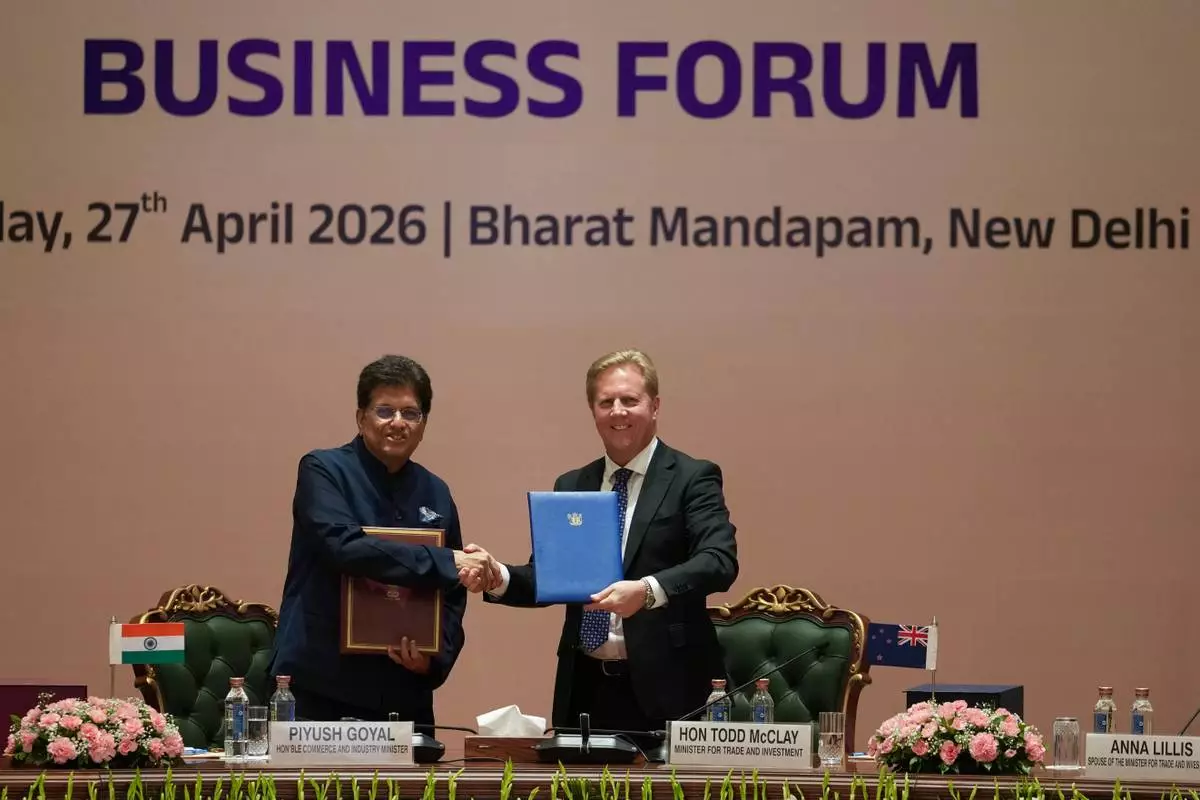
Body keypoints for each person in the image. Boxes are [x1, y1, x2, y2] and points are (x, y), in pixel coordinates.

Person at [470, 348, 739, 737]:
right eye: (606, 402)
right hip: (585, 688)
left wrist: (647, 591)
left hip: (669, 690)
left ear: (655, 405)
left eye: (630, 400)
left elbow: (719, 561)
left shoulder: (691, 477)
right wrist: (499, 577)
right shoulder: (573, 484)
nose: (618, 412)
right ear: (592, 410)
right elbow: (551, 579)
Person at [269, 354, 500, 725]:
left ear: (423, 423)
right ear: (361, 418)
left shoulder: (436, 491)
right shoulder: (323, 470)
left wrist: (433, 658)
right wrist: (447, 561)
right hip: (320, 683)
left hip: (403, 686)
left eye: (411, 413)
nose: (398, 423)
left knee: (410, 786)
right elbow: (343, 547)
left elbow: (452, 596)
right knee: (312, 787)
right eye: (385, 411)